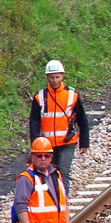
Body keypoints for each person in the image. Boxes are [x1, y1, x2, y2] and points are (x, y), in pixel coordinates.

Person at [29, 59, 90, 195]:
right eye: (52, 77)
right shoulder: (39, 97)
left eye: (57, 77)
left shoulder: (72, 95)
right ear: (47, 77)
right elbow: (34, 122)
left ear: (62, 76)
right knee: (48, 174)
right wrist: (35, 145)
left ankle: (63, 202)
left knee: (63, 173)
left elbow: (82, 120)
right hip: (46, 145)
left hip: (67, 142)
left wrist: (84, 143)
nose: (55, 80)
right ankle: (52, 200)